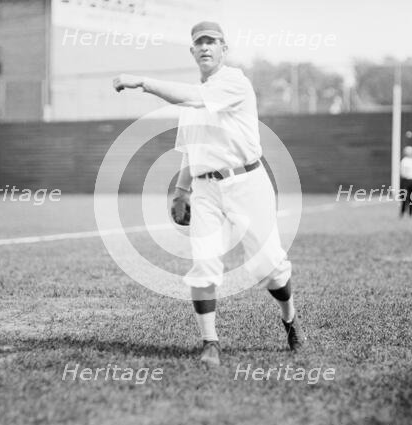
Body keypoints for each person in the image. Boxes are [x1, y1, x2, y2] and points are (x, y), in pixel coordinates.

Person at [113, 21, 303, 366]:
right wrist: (181, 191)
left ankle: (289, 320)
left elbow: (194, 97)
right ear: (192, 51)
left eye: (212, 42)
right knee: (204, 265)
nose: (205, 47)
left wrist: (143, 82)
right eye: (199, 42)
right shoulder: (190, 102)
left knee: (269, 266)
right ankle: (210, 343)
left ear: (223, 49)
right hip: (205, 190)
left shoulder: (234, 82)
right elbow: (190, 151)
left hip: (247, 183)